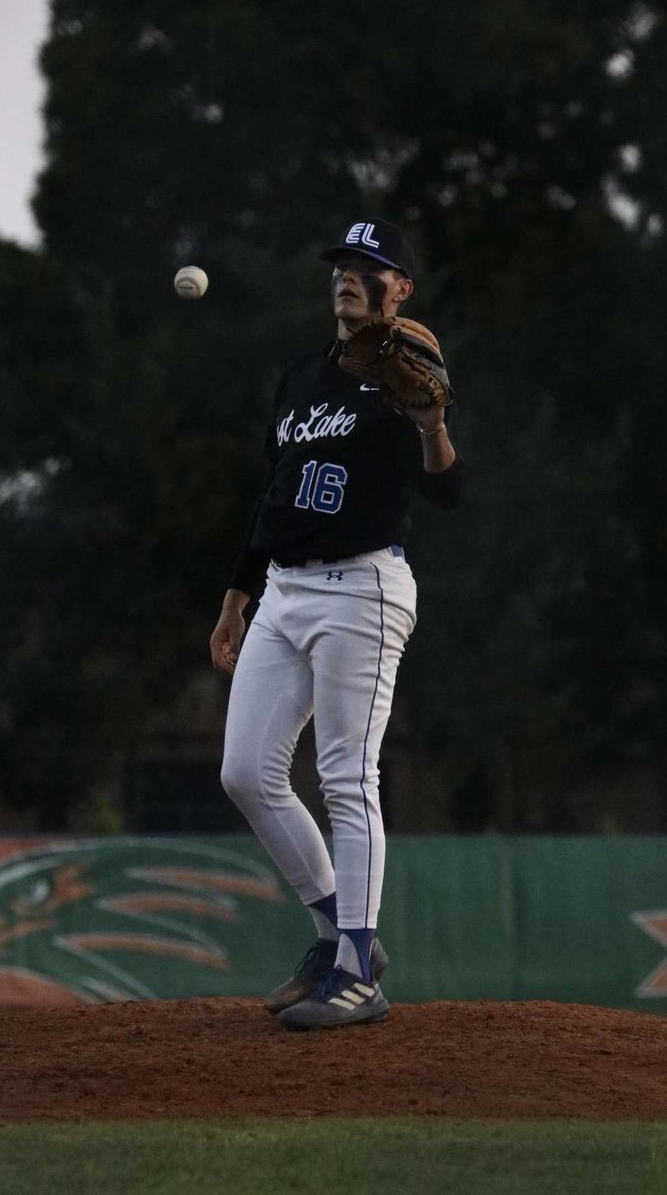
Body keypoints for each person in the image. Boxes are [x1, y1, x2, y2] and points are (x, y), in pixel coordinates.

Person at [209, 218, 462, 1029]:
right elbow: (275, 492)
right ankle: (334, 935)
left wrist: (432, 428)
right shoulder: (300, 377)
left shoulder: (407, 379)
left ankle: (358, 969)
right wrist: (237, 597)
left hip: (363, 587)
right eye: (343, 266)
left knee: (348, 777)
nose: (349, 276)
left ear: (402, 290)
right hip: (282, 591)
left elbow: (449, 493)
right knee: (246, 772)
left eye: (369, 267)